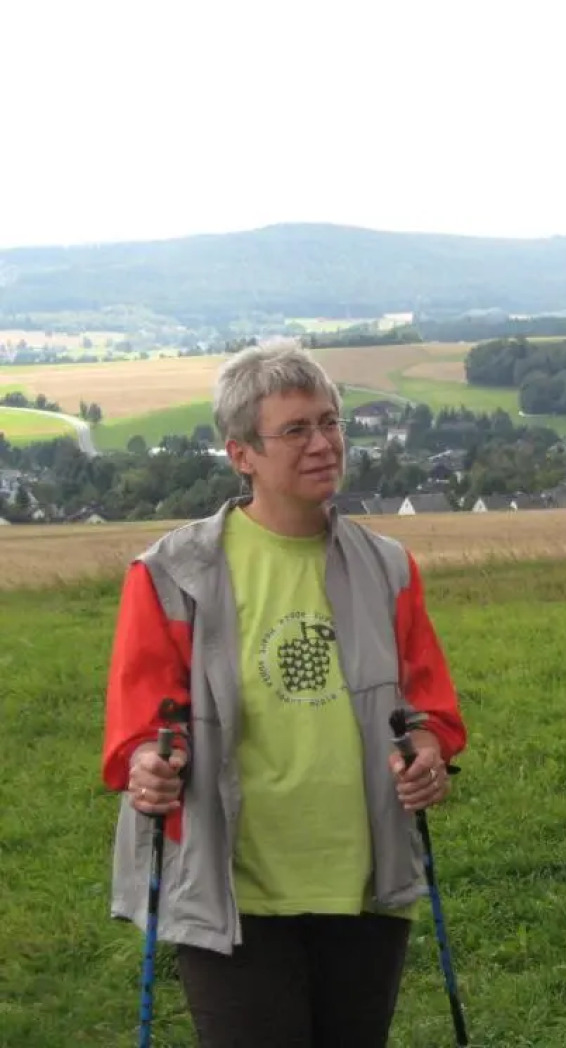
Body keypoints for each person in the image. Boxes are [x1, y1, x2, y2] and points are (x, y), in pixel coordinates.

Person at [101, 339, 469, 1047]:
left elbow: (430, 710)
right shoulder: (172, 574)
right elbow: (139, 729)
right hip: (229, 887)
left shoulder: (389, 568)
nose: (323, 443)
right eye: (295, 429)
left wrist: (427, 752)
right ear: (241, 454)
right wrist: (149, 763)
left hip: (361, 882)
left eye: (329, 422)